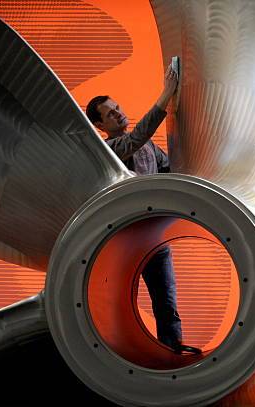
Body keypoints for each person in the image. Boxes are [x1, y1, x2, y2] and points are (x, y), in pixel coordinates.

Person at [85, 63, 201, 355]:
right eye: (110, 114)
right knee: (116, 302)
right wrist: (166, 95)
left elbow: (169, 173)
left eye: (117, 107)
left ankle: (171, 351)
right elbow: (137, 138)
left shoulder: (150, 149)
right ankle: (114, 355)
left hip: (154, 239)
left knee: (166, 299)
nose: (118, 113)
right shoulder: (110, 150)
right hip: (124, 240)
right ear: (100, 127)